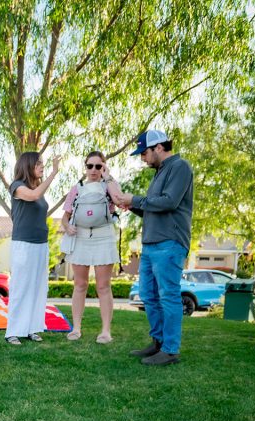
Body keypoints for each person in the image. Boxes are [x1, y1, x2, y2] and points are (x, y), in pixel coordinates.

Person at [109, 130, 194, 365]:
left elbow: (169, 202)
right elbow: (152, 208)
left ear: (158, 147)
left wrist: (134, 199)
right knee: (148, 294)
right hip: (151, 244)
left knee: (168, 296)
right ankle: (158, 343)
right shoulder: (159, 173)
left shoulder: (180, 167)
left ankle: (170, 350)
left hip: (170, 242)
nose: (142, 159)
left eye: (144, 153)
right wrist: (131, 205)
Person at [60, 151, 120, 344]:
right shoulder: (76, 188)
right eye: (90, 166)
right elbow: (66, 215)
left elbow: (119, 199)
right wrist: (67, 226)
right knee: (80, 285)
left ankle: (105, 331)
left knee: (103, 286)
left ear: (104, 167)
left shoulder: (109, 185)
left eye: (98, 166)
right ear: (85, 167)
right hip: (81, 238)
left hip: (104, 236)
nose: (94, 170)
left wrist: (109, 176)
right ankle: (76, 328)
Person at [5, 151, 61, 345]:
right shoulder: (17, 187)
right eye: (39, 163)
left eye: (43, 163)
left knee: (38, 288)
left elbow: (38, 195)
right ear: (27, 165)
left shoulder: (37, 188)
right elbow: (34, 195)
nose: (42, 166)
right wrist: (54, 173)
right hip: (23, 244)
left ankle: (32, 328)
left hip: (41, 244)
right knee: (21, 287)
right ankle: (13, 331)